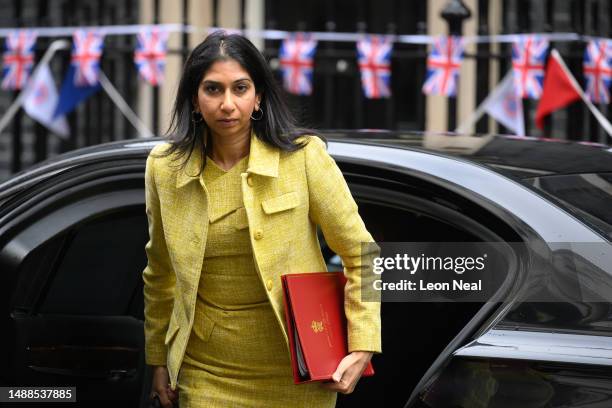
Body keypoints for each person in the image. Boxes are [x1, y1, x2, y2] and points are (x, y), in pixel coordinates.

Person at [142, 31, 381, 408]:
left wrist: (364, 343)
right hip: (207, 371)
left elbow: (362, 253)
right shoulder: (164, 168)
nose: (227, 104)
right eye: (213, 89)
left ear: (259, 96)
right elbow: (160, 274)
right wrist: (158, 359)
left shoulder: (303, 158)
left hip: (299, 368)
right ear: (194, 97)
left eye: (240, 88)